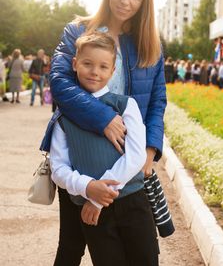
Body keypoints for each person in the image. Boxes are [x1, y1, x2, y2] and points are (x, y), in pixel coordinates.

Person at [40, 0, 167, 265]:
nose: (126, 0)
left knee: (135, 246)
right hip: (80, 155)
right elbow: (59, 82)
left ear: (144, 2)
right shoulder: (78, 31)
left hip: (127, 160)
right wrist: (104, 118)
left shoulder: (149, 44)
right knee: (71, 245)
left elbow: (157, 101)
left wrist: (149, 150)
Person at [50, 32, 159, 266]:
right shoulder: (64, 116)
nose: (94, 72)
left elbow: (136, 155)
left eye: (102, 66)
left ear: (112, 71)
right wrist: (88, 187)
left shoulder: (126, 105)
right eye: (87, 64)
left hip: (132, 202)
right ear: (75, 64)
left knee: (146, 260)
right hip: (91, 211)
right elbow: (58, 168)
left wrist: (100, 196)